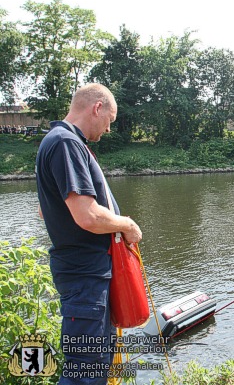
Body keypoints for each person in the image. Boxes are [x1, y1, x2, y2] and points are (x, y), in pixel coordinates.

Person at [36, 83, 142, 385]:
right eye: (109, 120)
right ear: (96, 108)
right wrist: (126, 224)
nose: (108, 129)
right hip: (85, 278)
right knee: (86, 371)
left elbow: (46, 210)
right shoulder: (66, 143)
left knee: (96, 366)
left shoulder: (59, 142)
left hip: (87, 276)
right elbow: (88, 215)